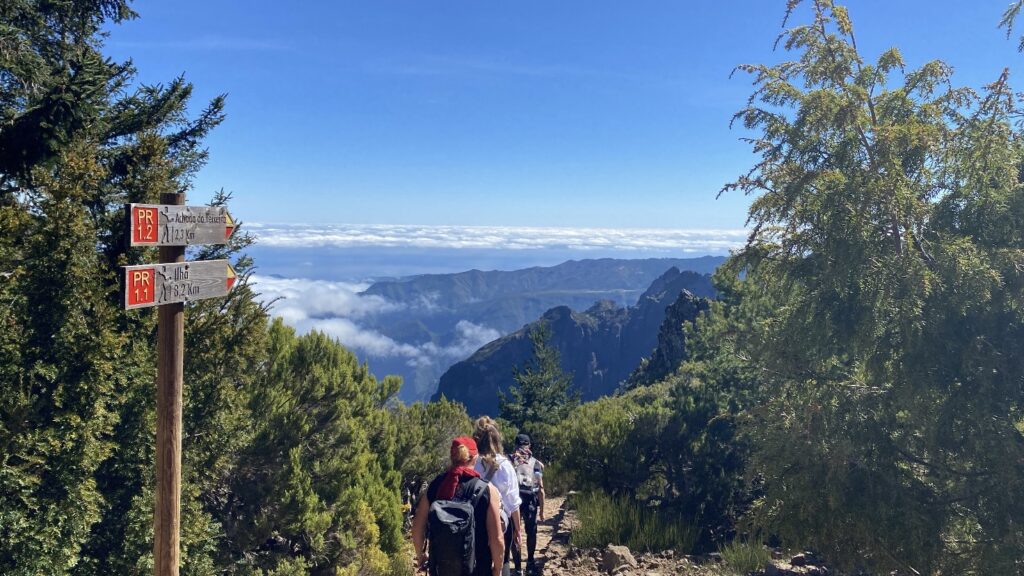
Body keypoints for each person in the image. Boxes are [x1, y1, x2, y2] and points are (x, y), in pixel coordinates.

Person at [412, 437, 505, 576]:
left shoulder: (436, 485)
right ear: (475, 458)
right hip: (477, 568)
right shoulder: (486, 490)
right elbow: (496, 539)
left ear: (451, 457)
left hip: (441, 568)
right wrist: (498, 569)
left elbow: (417, 527)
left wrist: (421, 556)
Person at [472, 417, 522, 575]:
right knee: (503, 562)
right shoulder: (506, 466)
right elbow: (513, 504)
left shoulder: (472, 464)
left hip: (476, 524)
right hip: (502, 524)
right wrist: (518, 530)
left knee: (480, 564)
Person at [510, 434, 545, 574]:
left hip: (514, 502)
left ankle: (518, 568)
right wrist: (542, 510)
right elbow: (540, 489)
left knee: (514, 533)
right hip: (530, 501)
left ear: (515, 445)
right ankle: (530, 562)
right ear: (529, 445)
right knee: (531, 532)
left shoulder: (510, 460)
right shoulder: (536, 463)